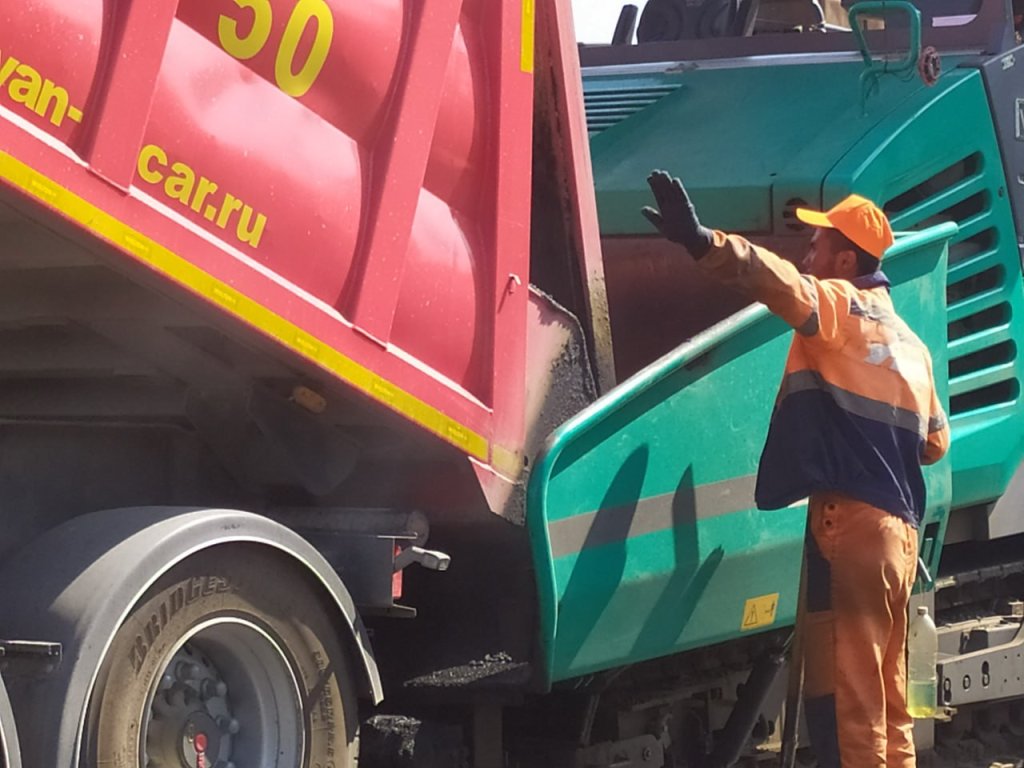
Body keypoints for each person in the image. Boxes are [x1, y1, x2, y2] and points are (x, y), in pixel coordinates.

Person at [642, 170, 949, 768]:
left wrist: (703, 239)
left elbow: (773, 281)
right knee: (888, 700)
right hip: (899, 538)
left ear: (844, 259)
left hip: (851, 529)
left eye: (817, 245)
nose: (806, 255)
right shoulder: (910, 342)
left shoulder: (838, 305)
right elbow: (934, 443)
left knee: (846, 704)